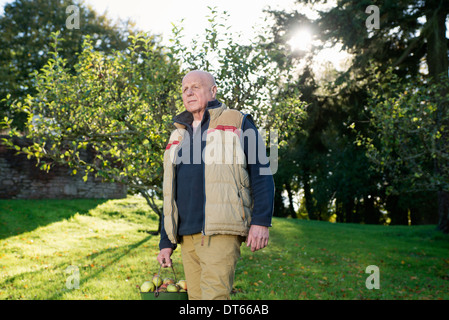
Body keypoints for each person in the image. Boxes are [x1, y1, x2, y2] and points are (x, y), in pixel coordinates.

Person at [157, 70, 275, 300]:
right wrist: (166, 241)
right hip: (186, 236)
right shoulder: (177, 136)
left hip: (220, 230)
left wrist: (261, 221)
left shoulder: (236, 120)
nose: (188, 92)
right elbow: (169, 193)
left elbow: (261, 170)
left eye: (195, 86)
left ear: (213, 91)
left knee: (214, 298)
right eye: (184, 89)